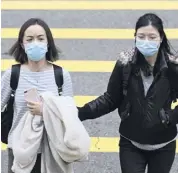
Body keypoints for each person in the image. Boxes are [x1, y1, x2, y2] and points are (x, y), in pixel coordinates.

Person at [78, 13, 178, 173]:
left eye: (152, 37)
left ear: (161, 38)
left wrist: (170, 118)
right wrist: (79, 113)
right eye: (141, 36)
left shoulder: (173, 68)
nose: (146, 41)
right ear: (135, 37)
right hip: (131, 143)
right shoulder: (125, 65)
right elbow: (110, 99)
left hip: (164, 145)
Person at [1, 18, 73, 173]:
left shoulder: (61, 75)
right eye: (30, 39)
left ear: (48, 43)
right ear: (22, 44)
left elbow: (70, 114)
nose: (35, 43)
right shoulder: (12, 75)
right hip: (20, 152)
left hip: (54, 151)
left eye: (40, 39)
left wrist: (45, 110)